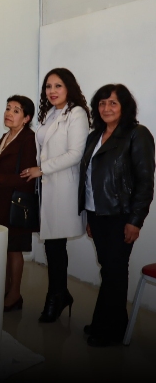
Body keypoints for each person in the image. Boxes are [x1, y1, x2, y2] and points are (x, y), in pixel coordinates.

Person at [78, 84, 154, 347]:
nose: (106, 108)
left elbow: (145, 182)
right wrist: (90, 215)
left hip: (121, 215)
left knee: (115, 270)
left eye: (113, 103)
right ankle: (105, 321)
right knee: (109, 269)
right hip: (97, 214)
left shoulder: (137, 134)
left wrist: (135, 221)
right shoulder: (95, 136)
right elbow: (90, 179)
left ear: (124, 107)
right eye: (102, 103)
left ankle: (111, 331)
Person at [21, 67, 91, 322]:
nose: (52, 91)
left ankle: (56, 296)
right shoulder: (50, 113)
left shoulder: (77, 113)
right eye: (48, 86)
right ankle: (60, 294)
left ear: (69, 87)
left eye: (58, 85)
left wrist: (42, 169)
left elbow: (75, 154)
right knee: (53, 245)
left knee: (56, 244)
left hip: (64, 188)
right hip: (47, 186)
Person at [0, 95, 37, 312]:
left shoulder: (28, 139)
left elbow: (26, 175)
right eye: (8, 108)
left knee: (14, 249)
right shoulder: (6, 136)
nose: (9, 113)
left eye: (16, 110)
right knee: (2, 248)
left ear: (26, 118)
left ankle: (14, 295)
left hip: (15, 204)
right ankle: (2, 290)